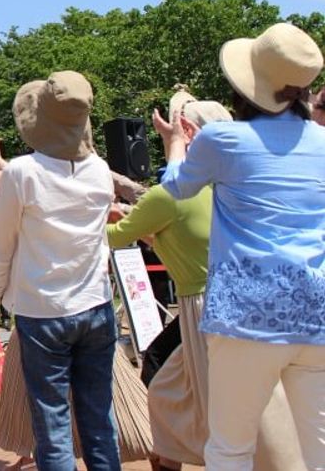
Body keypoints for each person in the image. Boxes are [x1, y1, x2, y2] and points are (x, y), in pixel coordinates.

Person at [155, 22, 325, 470]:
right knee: (320, 451)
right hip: (316, 313)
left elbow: (176, 187)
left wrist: (175, 145)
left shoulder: (223, 139)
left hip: (244, 319)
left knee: (230, 448)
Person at [110, 89, 301, 471]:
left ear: (190, 134)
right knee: (167, 389)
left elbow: (153, 211)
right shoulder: (241, 183)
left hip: (207, 306)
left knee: (234, 412)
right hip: (255, 298)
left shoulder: (177, 193)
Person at [0, 71, 122, 470]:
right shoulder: (99, 170)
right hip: (96, 306)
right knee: (98, 418)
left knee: (53, 424)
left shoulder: (22, 172)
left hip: (42, 312)